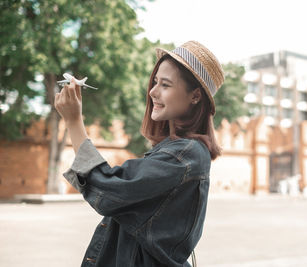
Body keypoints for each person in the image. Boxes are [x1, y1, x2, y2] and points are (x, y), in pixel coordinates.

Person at [54, 41, 224, 267]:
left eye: (165, 85)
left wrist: (74, 122)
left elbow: (108, 188)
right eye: (155, 82)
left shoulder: (184, 156)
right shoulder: (178, 151)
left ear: (195, 96)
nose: (153, 91)